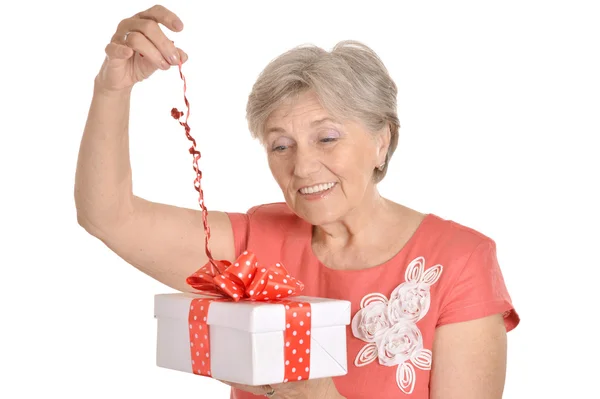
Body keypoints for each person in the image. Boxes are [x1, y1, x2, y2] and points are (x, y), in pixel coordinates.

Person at [75, 5, 520, 399]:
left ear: (382, 141)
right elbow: (108, 216)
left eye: (326, 138)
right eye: (280, 146)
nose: (303, 167)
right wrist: (113, 88)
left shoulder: (462, 260)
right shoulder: (254, 246)